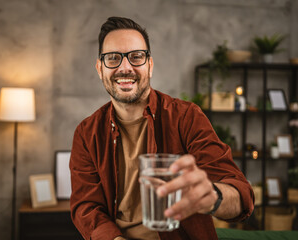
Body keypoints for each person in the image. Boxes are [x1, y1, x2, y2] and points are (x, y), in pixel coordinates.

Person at [69, 16, 254, 240]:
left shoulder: (186, 117)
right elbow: (86, 206)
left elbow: (240, 193)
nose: (125, 67)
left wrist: (212, 196)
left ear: (150, 65)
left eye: (136, 57)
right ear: (100, 68)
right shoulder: (86, 133)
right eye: (113, 58)